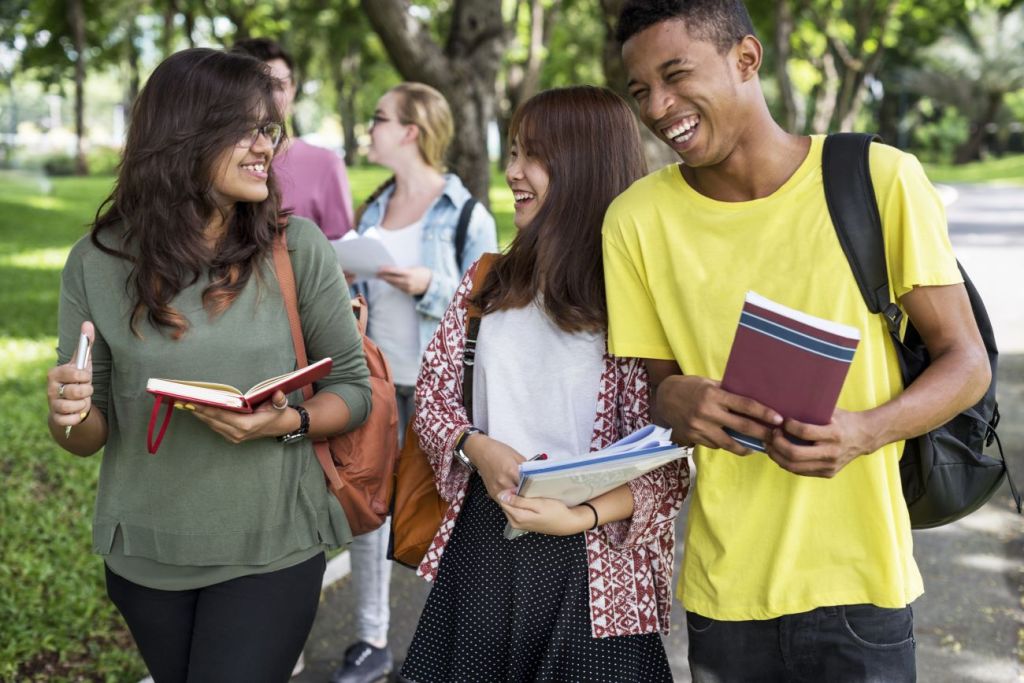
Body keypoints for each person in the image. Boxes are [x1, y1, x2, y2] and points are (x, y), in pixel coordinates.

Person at [603, 2, 992, 681]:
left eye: (675, 75)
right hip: (726, 591)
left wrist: (866, 430)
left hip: (861, 584)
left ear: (747, 59)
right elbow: (657, 386)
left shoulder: (879, 178)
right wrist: (676, 400)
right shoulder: (635, 220)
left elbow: (967, 363)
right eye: (641, 91)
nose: (659, 107)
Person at [45, 48, 372, 683]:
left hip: (273, 544)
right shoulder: (96, 260)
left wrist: (282, 423)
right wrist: (68, 411)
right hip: (144, 554)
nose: (265, 148)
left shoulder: (296, 247)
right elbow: (86, 436)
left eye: (269, 129)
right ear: (183, 135)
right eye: (246, 129)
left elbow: (353, 389)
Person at [400, 85, 689, 683]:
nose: (512, 172)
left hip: (598, 567)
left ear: (584, 166)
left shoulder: (640, 299)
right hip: (484, 546)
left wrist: (579, 517)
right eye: (511, 153)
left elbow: (670, 464)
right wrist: (475, 446)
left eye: (532, 155)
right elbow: (431, 401)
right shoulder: (487, 282)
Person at [328, 81, 498, 683]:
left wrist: (430, 284)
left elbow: (490, 303)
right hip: (376, 383)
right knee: (370, 512)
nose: (368, 129)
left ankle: (450, 646)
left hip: (438, 394)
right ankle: (372, 643)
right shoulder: (373, 207)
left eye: (379, 118)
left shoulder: (467, 213)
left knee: (444, 518)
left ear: (411, 131)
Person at [232, 38, 355, 240]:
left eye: (279, 85)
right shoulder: (215, 162)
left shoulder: (326, 163)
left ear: (292, 90)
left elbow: (343, 253)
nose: (269, 97)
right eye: (259, 86)